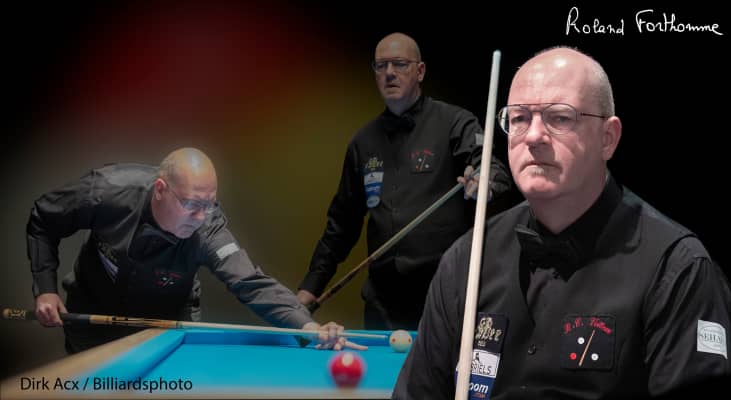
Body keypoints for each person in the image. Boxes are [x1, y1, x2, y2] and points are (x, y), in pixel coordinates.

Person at [393, 47, 731, 399]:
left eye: (559, 118)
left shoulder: (677, 269)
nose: (533, 136)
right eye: (519, 118)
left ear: (608, 138)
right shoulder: (467, 259)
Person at [28, 147, 363, 353]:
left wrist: (307, 327)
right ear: (161, 190)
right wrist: (45, 288)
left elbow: (250, 282)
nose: (201, 216)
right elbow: (44, 218)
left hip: (167, 325)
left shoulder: (208, 228)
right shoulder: (107, 191)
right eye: (191, 204)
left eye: (209, 204)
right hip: (91, 316)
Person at [296, 32, 512, 330]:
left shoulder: (454, 122)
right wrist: (310, 288)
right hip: (383, 304)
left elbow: (491, 168)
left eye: (399, 64)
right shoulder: (363, 142)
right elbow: (341, 225)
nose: (389, 73)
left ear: (420, 71)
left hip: (445, 295)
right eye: (381, 66)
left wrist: (484, 183)